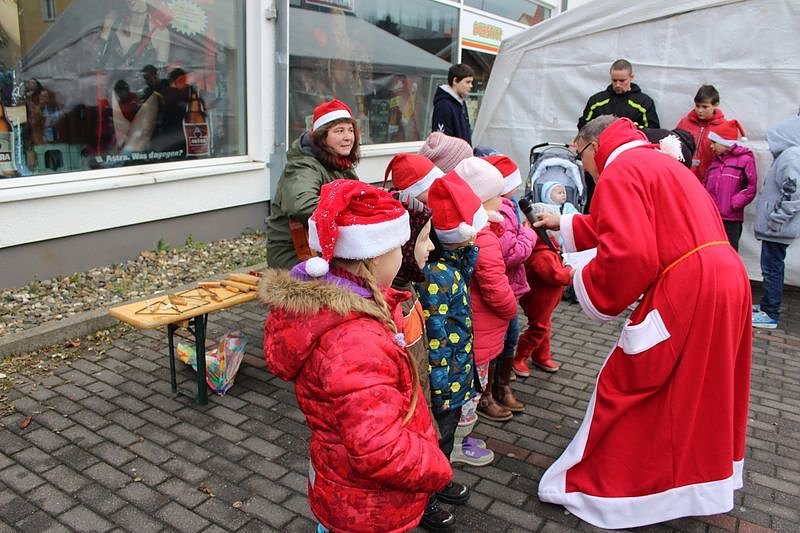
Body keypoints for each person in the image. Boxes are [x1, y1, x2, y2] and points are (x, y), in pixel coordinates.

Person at [535, 116, 752, 529]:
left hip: (690, 286)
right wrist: (564, 224)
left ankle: (620, 489)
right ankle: (694, 482)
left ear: (594, 146)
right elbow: (638, 226)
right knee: (700, 389)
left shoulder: (621, 170)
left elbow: (632, 254)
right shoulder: (657, 164)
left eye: (579, 155)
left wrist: (580, 277)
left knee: (631, 382)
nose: (582, 167)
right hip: (725, 277)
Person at [260, 180, 452, 533]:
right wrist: (435, 466)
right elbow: (378, 448)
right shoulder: (355, 342)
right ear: (376, 254)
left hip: (344, 487)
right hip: (370, 505)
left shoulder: (348, 312)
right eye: (400, 247)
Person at [391, 190, 470, 531]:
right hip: (435, 385)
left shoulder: (411, 286)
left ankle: (436, 482)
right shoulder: (411, 291)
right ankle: (425, 499)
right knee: (430, 443)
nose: (433, 246)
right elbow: (428, 344)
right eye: (424, 239)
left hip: (442, 379)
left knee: (442, 440)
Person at [418, 172, 492, 469]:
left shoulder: (453, 265)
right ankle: (431, 493)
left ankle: (440, 478)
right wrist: (442, 392)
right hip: (444, 385)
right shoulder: (439, 276)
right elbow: (434, 340)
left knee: (444, 439)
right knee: (440, 437)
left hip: (455, 373)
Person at [455, 157, 519, 423]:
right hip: (482, 329)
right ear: (480, 200)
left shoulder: (462, 231)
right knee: (471, 390)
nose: (502, 199)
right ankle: (461, 440)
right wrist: (511, 309)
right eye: (496, 195)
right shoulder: (484, 238)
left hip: (466, 327)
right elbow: (495, 287)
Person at [266, 99, 360, 269]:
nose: (348, 137)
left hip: (323, 247)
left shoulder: (340, 164)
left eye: (350, 130)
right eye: (339, 131)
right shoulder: (303, 166)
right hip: (295, 253)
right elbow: (301, 205)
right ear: (322, 137)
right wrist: (354, 209)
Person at [484, 154, 535, 410]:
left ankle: (501, 385)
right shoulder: (500, 210)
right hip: (501, 285)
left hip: (510, 287)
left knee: (510, 338)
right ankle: (489, 393)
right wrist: (528, 234)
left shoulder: (510, 204)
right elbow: (510, 253)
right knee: (499, 339)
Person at [752, 114, 800, 329]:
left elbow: (793, 193)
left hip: (778, 228)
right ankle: (766, 306)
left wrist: (776, 219)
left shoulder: (791, 156)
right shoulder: (790, 155)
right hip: (777, 227)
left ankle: (770, 312)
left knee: (772, 268)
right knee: (771, 267)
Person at [513, 206, 573, 377]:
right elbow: (554, 275)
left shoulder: (548, 247)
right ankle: (519, 358)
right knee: (538, 328)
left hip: (546, 299)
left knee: (545, 325)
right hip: (539, 300)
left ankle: (541, 355)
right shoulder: (542, 255)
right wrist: (570, 272)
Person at [704, 120, 757, 250]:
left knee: (730, 249)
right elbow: (705, 184)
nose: (711, 147)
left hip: (731, 218)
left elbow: (750, 186)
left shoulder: (745, 160)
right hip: (713, 216)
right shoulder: (715, 162)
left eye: (714, 143)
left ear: (724, 142)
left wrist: (734, 204)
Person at [577, 59, 660, 130]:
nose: (617, 84)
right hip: (601, 145)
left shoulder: (644, 102)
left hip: (630, 146)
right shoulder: (596, 101)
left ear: (631, 77)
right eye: (614, 80)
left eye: (622, 80)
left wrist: (627, 127)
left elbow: (653, 130)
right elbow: (583, 126)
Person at [675, 84, 727, 180]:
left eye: (704, 107)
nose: (700, 110)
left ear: (716, 105)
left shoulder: (723, 127)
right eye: (697, 106)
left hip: (709, 178)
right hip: (683, 175)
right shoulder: (685, 122)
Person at [431, 63, 475, 145]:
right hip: (451, 157)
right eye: (467, 82)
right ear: (455, 81)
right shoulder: (443, 106)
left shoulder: (461, 103)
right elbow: (441, 142)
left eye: (471, 82)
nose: (471, 86)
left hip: (464, 155)